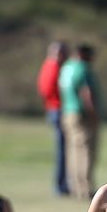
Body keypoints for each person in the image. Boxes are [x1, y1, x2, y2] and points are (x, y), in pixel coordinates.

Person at [58, 43, 101, 200]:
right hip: (83, 114)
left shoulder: (67, 67)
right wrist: (94, 113)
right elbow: (86, 93)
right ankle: (86, 188)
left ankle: (75, 185)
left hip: (68, 112)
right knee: (86, 150)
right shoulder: (83, 68)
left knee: (72, 150)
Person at [36, 41, 69, 196]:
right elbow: (47, 90)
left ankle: (64, 183)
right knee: (62, 149)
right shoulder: (53, 67)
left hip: (55, 109)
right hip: (58, 110)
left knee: (64, 148)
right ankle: (60, 185)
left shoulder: (50, 65)